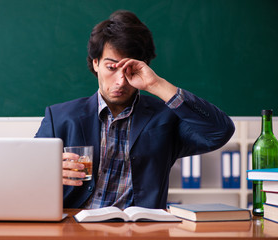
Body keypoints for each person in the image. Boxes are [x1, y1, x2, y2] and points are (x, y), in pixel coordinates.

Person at [35, 10, 235, 209]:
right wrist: (48, 172)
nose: (121, 81)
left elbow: (219, 131)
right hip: (76, 227)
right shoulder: (59, 117)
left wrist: (157, 85)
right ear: (95, 64)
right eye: (111, 68)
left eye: (129, 70)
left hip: (141, 229)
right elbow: (27, 173)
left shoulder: (165, 118)